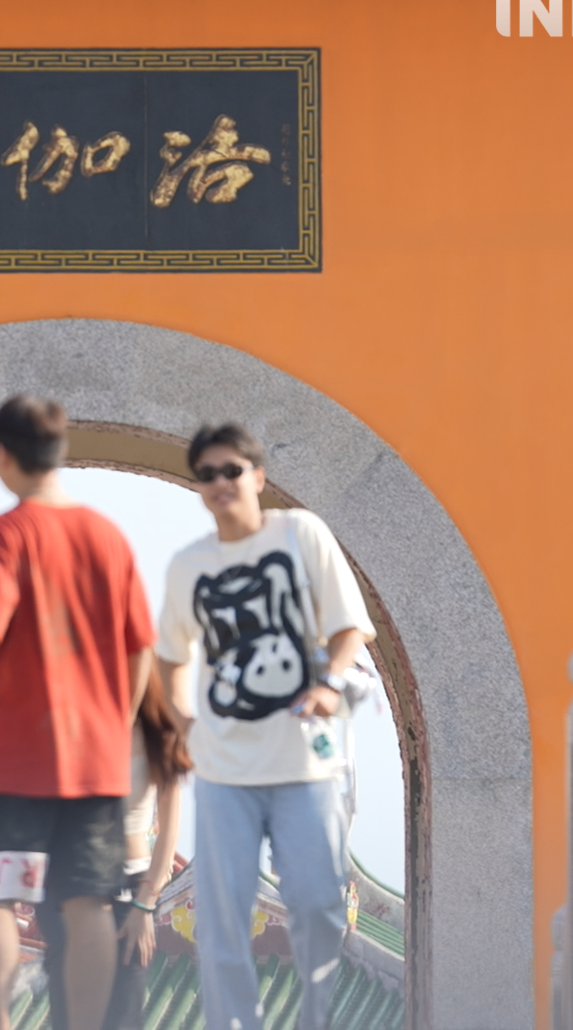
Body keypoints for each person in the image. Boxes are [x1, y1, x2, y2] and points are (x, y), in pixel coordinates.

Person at [0, 396, 156, 1030]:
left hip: (9, 761)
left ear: (1, 455)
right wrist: (118, 722)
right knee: (89, 904)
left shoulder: (6, 532)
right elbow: (140, 649)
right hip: (94, 764)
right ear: (60, 452)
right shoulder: (109, 536)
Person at [154, 423, 376, 1030]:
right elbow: (169, 659)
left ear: (256, 475)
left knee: (319, 906)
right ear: (199, 488)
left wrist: (330, 684)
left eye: (231, 471)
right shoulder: (189, 566)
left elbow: (350, 630)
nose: (221, 484)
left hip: (307, 763)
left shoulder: (303, 535)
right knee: (220, 922)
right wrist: (185, 723)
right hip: (226, 769)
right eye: (207, 475)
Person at [39, 672, 193, 1030]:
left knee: (124, 1009)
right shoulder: (72, 722)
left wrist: (145, 903)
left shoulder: (160, 736)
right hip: (69, 882)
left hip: (132, 886)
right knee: (69, 1010)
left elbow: (169, 833)